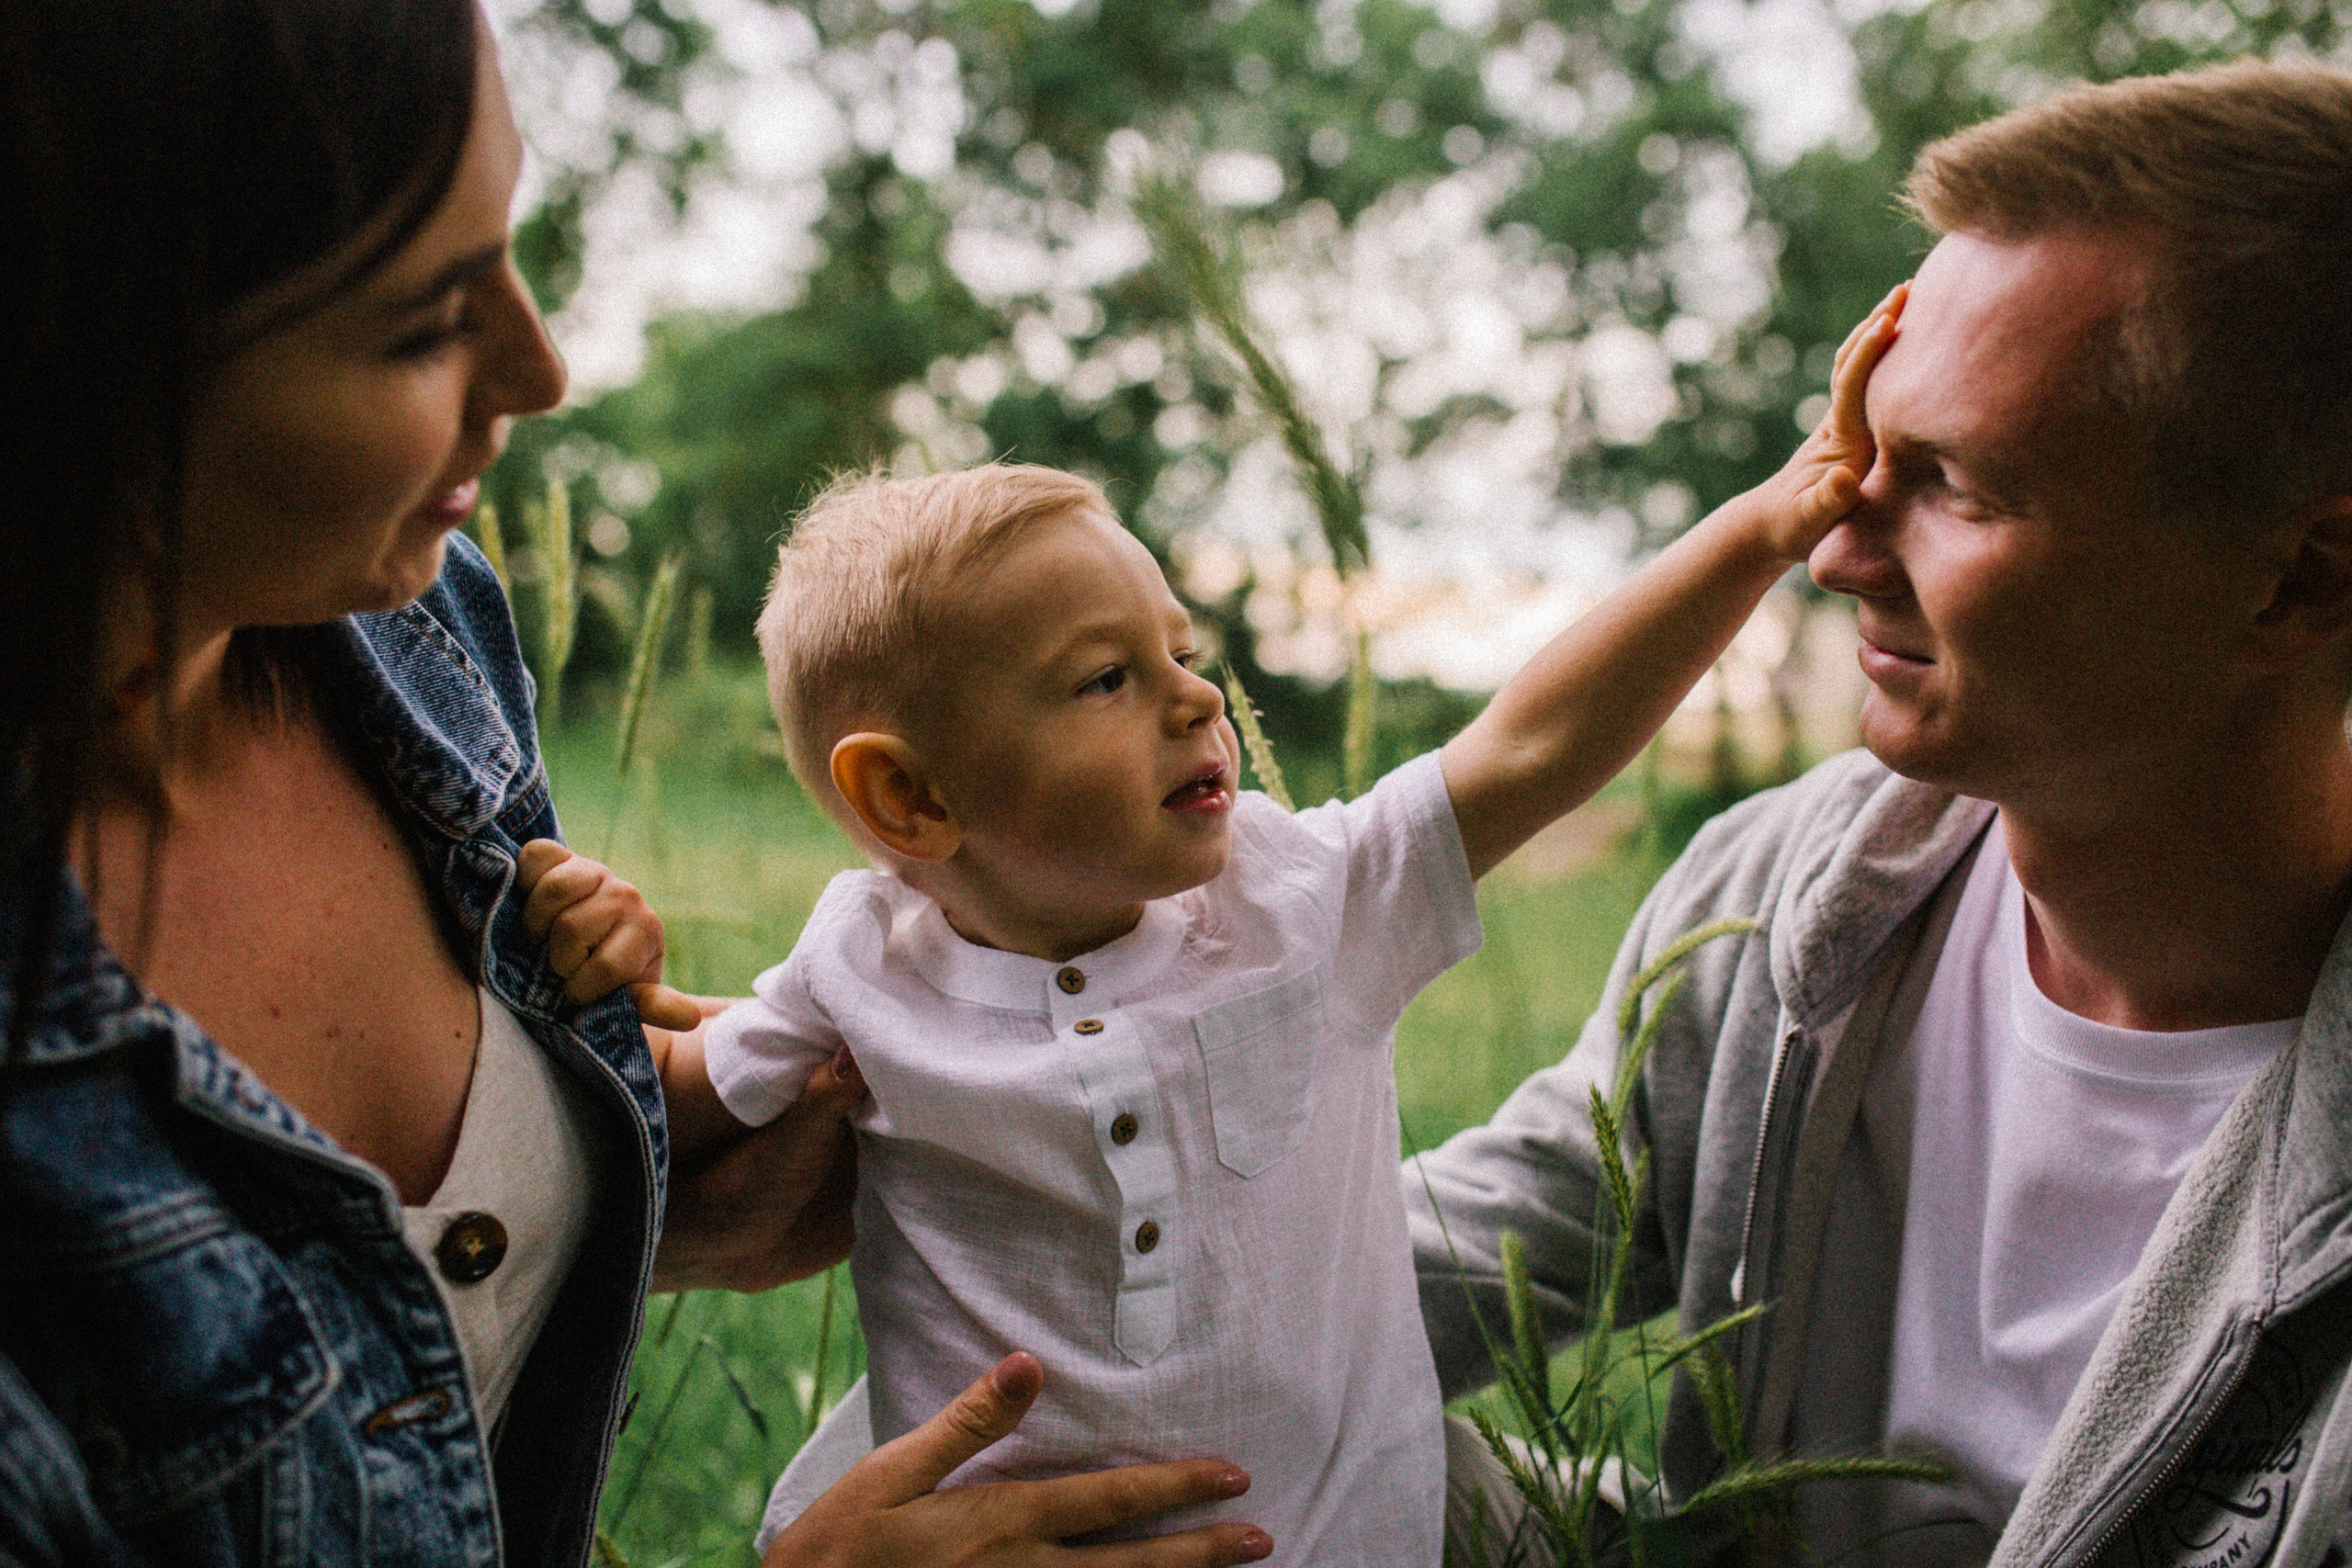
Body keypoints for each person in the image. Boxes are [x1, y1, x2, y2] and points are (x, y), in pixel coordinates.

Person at [0, 4, 1272, 1564]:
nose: (541, 369)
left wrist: (654, 1204)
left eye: (509, 249)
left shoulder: (408, 631)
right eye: (419, 324)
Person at [598, 285, 1894, 1565]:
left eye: (1181, 649)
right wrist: (576, 963)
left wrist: (1761, 531)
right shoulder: (856, 967)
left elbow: (1531, 747)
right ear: (911, 796)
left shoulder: (1304, 902)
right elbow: (661, 1109)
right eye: (1106, 678)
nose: (1195, 696)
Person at [1402, 59, 2352, 1567]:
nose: (1833, 544)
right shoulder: (1797, 885)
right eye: (1860, 444)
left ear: (2298, 583)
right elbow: (1452, 1253)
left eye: (1957, 483)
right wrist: (978, 1190)